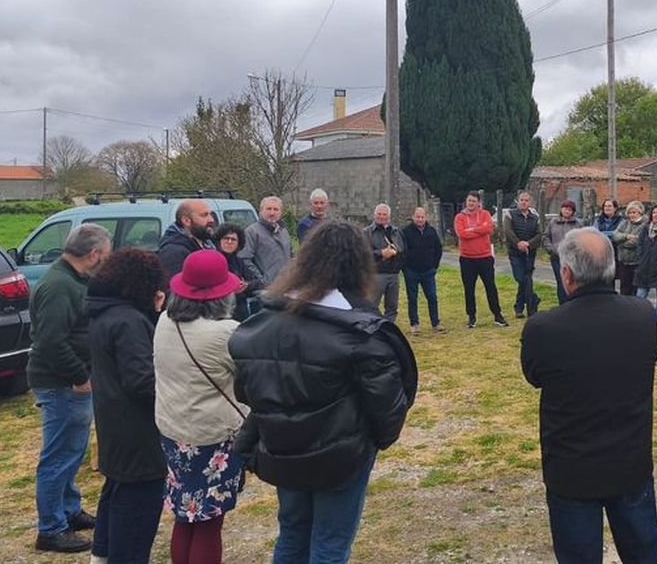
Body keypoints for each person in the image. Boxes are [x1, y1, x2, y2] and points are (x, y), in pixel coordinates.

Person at [229, 221, 418, 564]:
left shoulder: (266, 322)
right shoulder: (358, 330)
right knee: (329, 543)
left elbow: (247, 389)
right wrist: (374, 440)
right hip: (340, 455)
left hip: (285, 446)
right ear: (358, 264)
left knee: (293, 532)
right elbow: (388, 405)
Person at [521, 228, 657, 563]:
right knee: (644, 555)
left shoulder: (544, 328)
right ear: (611, 269)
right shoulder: (642, 315)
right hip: (630, 460)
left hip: (573, 468)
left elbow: (534, 376)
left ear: (566, 274)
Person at [154, 250, 248, 564]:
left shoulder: (165, 320)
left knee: (185, 515)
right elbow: (248, 378)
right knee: (209, 521)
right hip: (211, 437)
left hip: (173, 431)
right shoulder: (226, 333)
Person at [28, 223, 112, 554]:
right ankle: (50, 528)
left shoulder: (75, 279)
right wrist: (79, 376)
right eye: (105, 255)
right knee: (58, 456)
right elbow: (50, 341)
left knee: (72, 452)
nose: (106, 260)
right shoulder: (60, 285)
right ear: (93, 254)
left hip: (70, 383)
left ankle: (69, 509)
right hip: (61, 384)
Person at [85, 249, 168, 564]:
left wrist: (152, 314)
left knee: (115, 495)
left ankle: (102, 555)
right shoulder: (129, 321)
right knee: (136, 513)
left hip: (114, 424)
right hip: (138, 433)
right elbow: (142, 382)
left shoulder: (106, 313)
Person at [454, 191, 510, 328]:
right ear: (466, 202)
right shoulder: (459, 217)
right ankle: (471, 317)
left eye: (473, 201)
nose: (471, 203)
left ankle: (497, 315)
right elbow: (461, 234)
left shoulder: (485, 214)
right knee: (469, 289)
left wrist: (471, 230)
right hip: (467, 258)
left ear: (478, 203)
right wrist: (478, 230)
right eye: (469, 201)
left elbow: (489, 228)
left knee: (491, 287)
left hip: (485, 257)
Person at [402, 206, 444, 334]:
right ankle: (414, 324)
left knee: (432, 297)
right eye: (417, 217)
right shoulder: (405, 231)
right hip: (411, 271)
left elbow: (438, 249)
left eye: (422, 217)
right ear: (413, 217)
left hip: (428, 271)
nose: (420, 219)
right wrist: (405, 268)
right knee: (412, 298)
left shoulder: (431, 231)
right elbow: (402, 251)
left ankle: (435, 323)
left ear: (426, 217)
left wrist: (434, 266)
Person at [502, 191, 544, 318]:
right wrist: (519, 243)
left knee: (526, 280)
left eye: (526, 200)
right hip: (515, 252)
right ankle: (534, 299)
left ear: (529, 202)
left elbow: (539, 234)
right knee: (521, 278)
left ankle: (520, 308)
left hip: (530, 253)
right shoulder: (510, 214)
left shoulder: (535, 217)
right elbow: (508, 231)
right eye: (521, 200)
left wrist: (528, 244)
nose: (524, 202)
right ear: (517, 201)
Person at [215, 222, 264, 322]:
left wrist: (246, 286)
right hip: (220, 313)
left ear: (239, 243)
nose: (229, 242)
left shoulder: (239, 261)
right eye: (226, 238)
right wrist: (231, 289)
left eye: (233, 239)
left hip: (240, 314)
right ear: (219, 241)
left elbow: (258, 282)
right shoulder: (213, 261)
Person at [365, 203, 405, 321]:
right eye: (379, 214)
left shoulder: (396, 232)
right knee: (372, 305)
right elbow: (363, 255)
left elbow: (403, 249)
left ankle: (389, 329)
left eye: (384, 214)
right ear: (374, 215)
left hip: (394, 274)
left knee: (392, 307)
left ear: (389, 216)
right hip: (377, 274)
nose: (382, 217)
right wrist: (381, 253)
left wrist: (397, 252)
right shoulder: (367, 233)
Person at [157, 199, 216, 279]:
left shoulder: (208, 245)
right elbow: (174, 288)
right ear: (186, 220)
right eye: (204, 215)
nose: (211, 220)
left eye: (210, 214)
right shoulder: (174, 252)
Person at [241, 195, 292, 284]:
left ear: (281, 212)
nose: (272, 213)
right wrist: (262, 281)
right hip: (266, 289)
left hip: (285, 285)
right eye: (268, 209)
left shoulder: (284, 232)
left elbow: (291, 256)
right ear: (261, 211)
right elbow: (245, 259)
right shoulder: (251, 232)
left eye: (276, 209)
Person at [546, 199, 581, 304]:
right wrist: (551, 249)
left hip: (572, 258)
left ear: (573, 212)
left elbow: (582, 239)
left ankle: (573, 303)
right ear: (561, 209)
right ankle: (563, 304)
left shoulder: (578, 224)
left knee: (572, 281)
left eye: (570, 209)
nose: (567, 211)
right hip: (557, 257)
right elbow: (546, 236)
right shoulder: (553, 222)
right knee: (561, 281)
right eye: (565, 208)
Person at [611, 201, 646, 296]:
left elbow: (637, 242)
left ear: (640, 213)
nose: (632, 215)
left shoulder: (644, 225)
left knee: (635, 289)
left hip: (636, 262)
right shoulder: (624, 223)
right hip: (623, 261)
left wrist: (621, 243)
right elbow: (615, 236)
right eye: (630, 212)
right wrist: (627, 236)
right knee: (624, 288)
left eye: (634, 212)